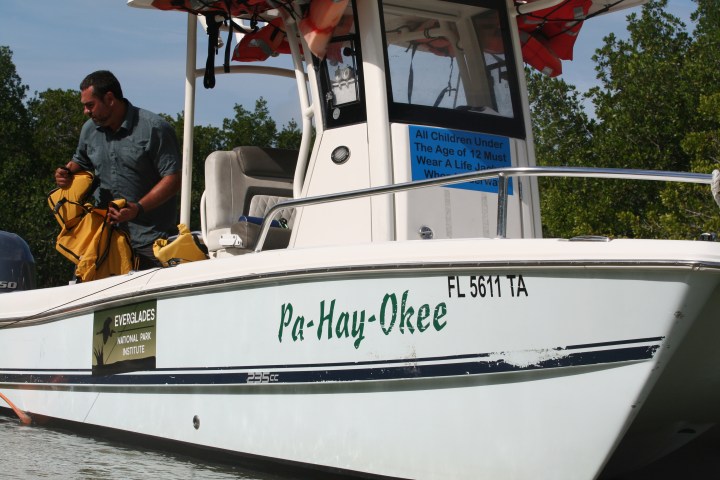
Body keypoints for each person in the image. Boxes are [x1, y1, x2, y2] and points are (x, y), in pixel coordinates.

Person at [55, 70, 182, 270]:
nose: (86, 112)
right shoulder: (89, 130)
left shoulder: (154, 128)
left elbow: (173, 179)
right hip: (105, 240)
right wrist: (66, 172)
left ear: (110, 98)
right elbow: (80, 161)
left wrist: (137, 208)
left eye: (90, 105)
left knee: (152, 300)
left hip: (152, 242)